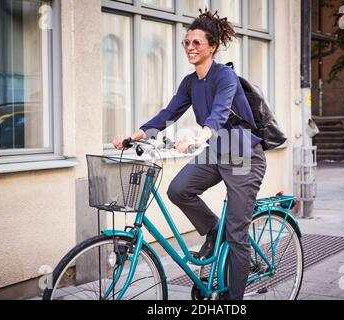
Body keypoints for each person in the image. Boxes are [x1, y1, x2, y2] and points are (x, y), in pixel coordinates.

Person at [113, 9, 267, 300]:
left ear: (212, 46)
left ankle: (233, 300)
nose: (190, 48)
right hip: (217, 152)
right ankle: (211, 230)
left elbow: (220, 113)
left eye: (196, 43)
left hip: (243, 156)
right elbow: (168, 114)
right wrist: (132, 137)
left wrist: (199, 138)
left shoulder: (225, 77)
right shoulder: (190, 82)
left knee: (236, 234)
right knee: (179, 189)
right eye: (186, 43)